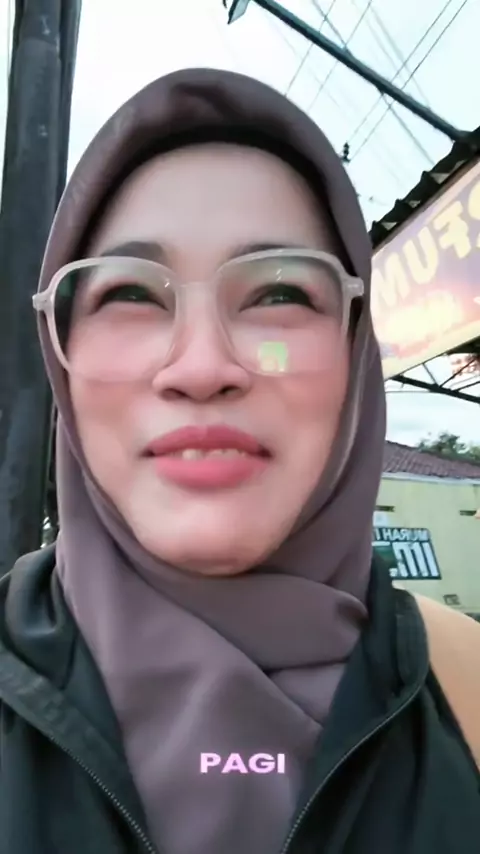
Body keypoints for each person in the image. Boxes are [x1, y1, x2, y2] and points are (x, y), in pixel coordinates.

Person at [0, 68, 478, 854]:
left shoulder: (471, 691)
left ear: (356, 350)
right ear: (61, 359)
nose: (200, 368)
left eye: (279, 294)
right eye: (129, 295)